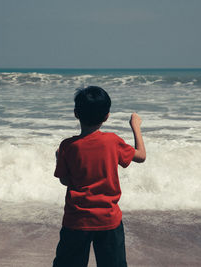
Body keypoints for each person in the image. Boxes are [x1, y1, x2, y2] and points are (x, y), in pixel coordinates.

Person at [52, 86, 146, 267]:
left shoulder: (67, 146)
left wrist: (58, 157)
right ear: (107, 116)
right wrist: (135, 126)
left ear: (76, 114)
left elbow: (65, 181)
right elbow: (141, 156)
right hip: (108, 219)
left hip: (76, 220)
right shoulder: (112, 141)